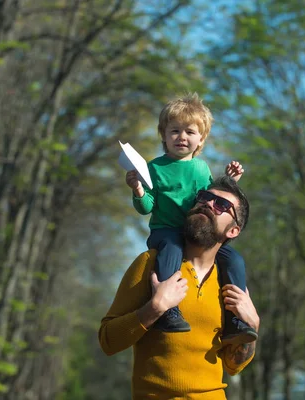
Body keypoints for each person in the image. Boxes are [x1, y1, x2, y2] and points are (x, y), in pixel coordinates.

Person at [99, 176, 260, 399]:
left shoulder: (230, 282)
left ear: (233, 231)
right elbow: (108, 341)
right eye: (205, 197)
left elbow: (233, 366)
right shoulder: (150, 264)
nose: (208, 203)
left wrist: (253, 327)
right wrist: (154, 309)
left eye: (221, 205)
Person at [125, 93, 256, 344]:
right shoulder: (154, 168)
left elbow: (210, 201)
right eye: (174, 131)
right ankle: (168, 309)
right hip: (166, 230)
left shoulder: (201, 168)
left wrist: (229, 181)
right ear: (163, 135)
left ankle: (235, 319)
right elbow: (146, 207)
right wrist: (138, 190)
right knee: (171, 248)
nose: (182, 137)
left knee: (234, 259)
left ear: (201, 139)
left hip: (195, 233)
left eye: (190, 132)